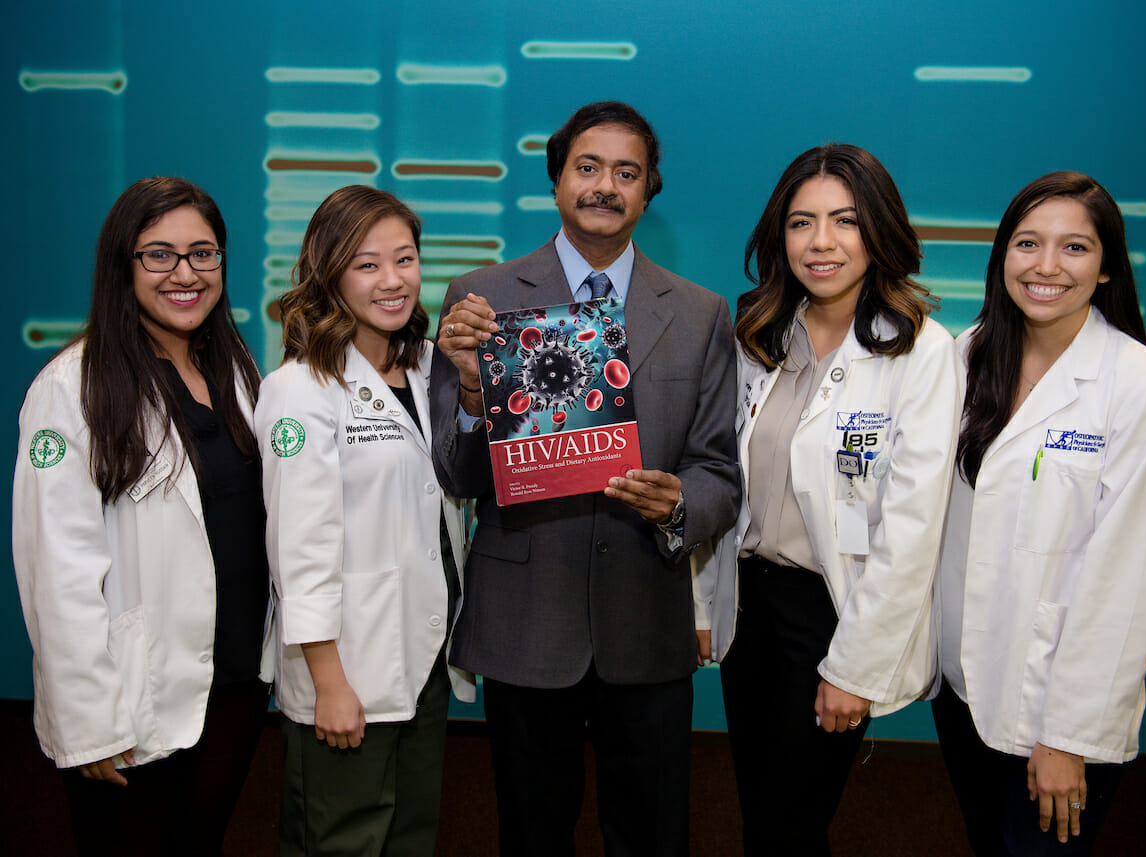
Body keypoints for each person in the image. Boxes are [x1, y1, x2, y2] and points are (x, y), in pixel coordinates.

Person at [432, 101, 740, 857]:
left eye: (626, 173)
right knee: (532, 833)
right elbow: (458, 471)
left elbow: (719, 472)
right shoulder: (481, 299)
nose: (606, 186)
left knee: (652, 833)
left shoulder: (700, 313)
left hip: (646, 615)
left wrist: (678, 506)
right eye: (589, 167)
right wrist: (475, 393)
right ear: (558, 180)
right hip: (524, 619)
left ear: (649, 190)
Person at [695, 144, 964, 856]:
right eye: (801, 222)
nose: (821, 243)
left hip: (833, 611)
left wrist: (855, 667)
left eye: (844, 221)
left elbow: (912, 527)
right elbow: (722, 476)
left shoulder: (921, 351)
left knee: (793, 818)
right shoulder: (757, 334)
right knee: (760, 806)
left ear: (879, 231)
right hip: (750, 604)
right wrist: (702, 601)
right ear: (777, 237)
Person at [933, 171, 1146, 856]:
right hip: (963, 690)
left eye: (1075, 247)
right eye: (1028, 243)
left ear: (1107, 268)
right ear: (1003, 256)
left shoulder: (1143, 388)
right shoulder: (968, 356)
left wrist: (1068, 735)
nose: (1046, 266)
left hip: (1054, 709)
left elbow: (1128, 581)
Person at [12, 177, 271, 856]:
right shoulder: (71, 388)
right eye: (159, 255)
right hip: (134, 695)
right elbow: (56, 572)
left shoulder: (237, 370)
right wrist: (88, 722)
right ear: (122, 265)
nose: (185, 274)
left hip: (235, 685)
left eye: (203, 254)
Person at [256, 185, 474, 857]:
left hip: (423, 657)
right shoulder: (300, 388)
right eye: (367, 264)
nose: (392, 280)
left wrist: (470, 384)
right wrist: (329, 681)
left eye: (404, 259)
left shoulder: (429, 365)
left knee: (410, 834)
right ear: (330, 274)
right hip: (346, 667)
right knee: (341, 840)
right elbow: (300, 548)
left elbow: (460, 483)